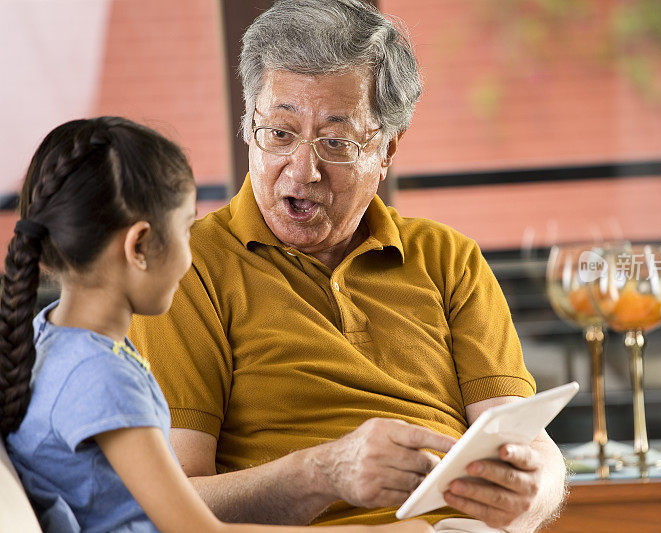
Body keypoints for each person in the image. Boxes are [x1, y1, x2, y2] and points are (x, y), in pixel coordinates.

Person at [128, 0, 567, 531]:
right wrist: (324, 472)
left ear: (386, 151)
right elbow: (174, 505)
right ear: (248, 128)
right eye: (280, 133)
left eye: (335, 142)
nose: (304, 169)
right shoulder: (186, 268)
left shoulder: (449, 258)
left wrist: (533, 491)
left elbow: (525, 443)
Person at [0, 117, 431, 533]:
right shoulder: (102, 378)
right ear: (139, 246)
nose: (192, 254)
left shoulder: (48, 339)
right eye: (186, 230)